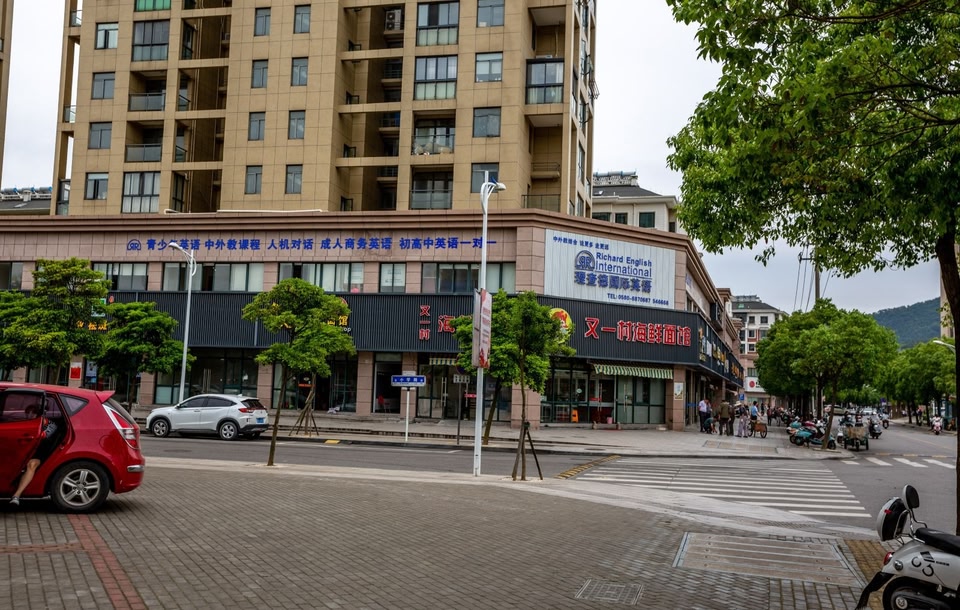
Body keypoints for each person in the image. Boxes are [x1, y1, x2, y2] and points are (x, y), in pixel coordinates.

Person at [10, 404, 60, 506]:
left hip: (41, 452)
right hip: (25, 450)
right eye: (27, 414)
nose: (29, 417)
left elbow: (40, 437)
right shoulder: (27, 424)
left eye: (32, 414)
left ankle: (16, 495)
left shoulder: (51, 425)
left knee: (32, 464)